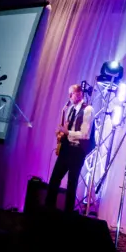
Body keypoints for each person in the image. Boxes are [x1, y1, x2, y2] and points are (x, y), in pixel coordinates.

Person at [46, 84, 94, 213]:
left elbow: (85, 134)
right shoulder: (70, 109)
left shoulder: (88, 109)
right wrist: (61, 133)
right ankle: (48, 210)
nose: (70, 97)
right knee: (54, 179)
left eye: (72, 94)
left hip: (77, 150)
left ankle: (67, 215)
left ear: (79, 94)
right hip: (66, 148)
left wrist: (67, 132)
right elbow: (67, 127)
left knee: (72, 183)